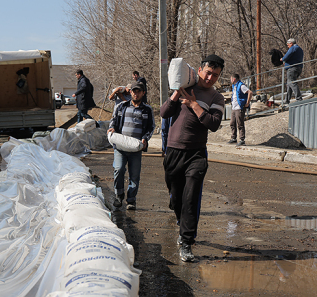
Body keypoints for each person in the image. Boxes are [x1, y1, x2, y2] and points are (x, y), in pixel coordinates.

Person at [160, 54, 225, 262]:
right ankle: (180, 218)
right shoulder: (184, 86)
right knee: (176, 196)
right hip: (174, 150)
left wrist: (195, 105)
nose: (210, 78)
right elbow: (163, 113)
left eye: (215, 75)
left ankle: (187, 242)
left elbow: (213, 124)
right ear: (199, 70)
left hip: (196, 153)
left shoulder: (216, 98)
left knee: (190, 198)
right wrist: (176, 95)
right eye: (208, 73)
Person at [108, 81, 155, 211]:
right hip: (120, 147)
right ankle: (119, 195)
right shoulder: (122, 106)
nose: (136, 93)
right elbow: (113, 121)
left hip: (136, 148)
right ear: (131, 92)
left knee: (134, 175)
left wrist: (145, 139)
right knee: (119, 169)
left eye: (139, 91)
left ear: (143, 93)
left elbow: (151, 127)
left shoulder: (147, 109)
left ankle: (131, 200)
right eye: (134, 91)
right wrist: (111, 128)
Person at [227, 74, 253, 146]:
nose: (230, 80)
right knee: (232, 123)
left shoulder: (241, 85)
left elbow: (250, 92)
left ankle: (242, 139)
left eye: (231, 78)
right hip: (234, 107)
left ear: (234, 79)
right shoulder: (234, 86)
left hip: (239, 108)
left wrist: (247, 103)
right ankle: (233, 138)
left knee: (240, 123)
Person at [280, 38, 304, 103]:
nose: (288, 46)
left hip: (292, 68)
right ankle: (287, 100)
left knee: (292, 83)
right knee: (289, 84)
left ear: (291, 43)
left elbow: (287, 56)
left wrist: (283, 59)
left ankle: (299, 99)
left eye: (288, 45)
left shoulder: (293, 48)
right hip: (299, 68)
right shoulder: (300, 49)